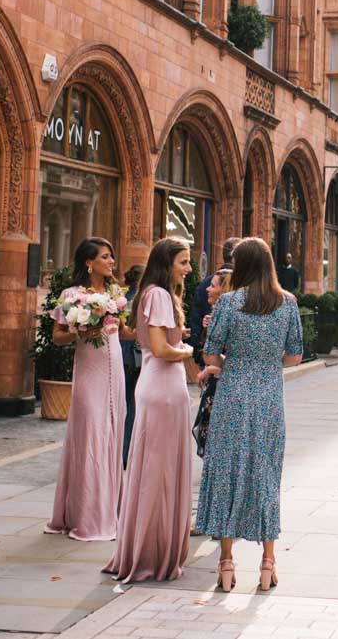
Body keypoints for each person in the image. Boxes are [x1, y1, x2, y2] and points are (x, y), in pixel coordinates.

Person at [195, 237, 304, 593]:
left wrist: (227, 363)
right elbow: (294, 357)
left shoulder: (227, 302)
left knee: (227, 470)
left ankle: (226, 563)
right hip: (270, 398)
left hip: (232, 396)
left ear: (240, 265)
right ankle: (267, 561)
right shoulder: (287, 304)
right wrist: (266, 361)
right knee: (265, 472)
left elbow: (210, 355)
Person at [103, 237, 195, 584]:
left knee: (156, 468)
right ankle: (151, 552)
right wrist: (185, 349)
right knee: (159, 471)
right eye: (183, 262)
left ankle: (149, 547)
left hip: (158, 384)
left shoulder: (155, 293)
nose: (188, 269)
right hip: (163, 386)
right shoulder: (158, 294)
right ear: (166, 263)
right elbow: (160, 348)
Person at [45, 238, 126, 542]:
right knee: (91, 432)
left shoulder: (116, 294)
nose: (111, 262)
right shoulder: (72, 295)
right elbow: (57, 336)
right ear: (89, 262)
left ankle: (111, 510)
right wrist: (82, 329)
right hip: (89, 370)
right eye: (106, 257)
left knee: (112, 432)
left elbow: (123, 328)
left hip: (114, 365)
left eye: (111, 256)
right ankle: (86, 515)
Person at [190, 238, 240, 365]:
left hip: (212, 358)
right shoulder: (241, 285)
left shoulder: (205, 283)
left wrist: (198, 355)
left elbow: (195, 319)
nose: (209, 289)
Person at [119, 264, 144, 468]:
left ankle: (119, 452)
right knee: (133, 407)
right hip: (136, 357)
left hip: (120, 354)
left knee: (122, 405)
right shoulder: (142, 299)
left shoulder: (120, 298)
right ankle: (127, 453)